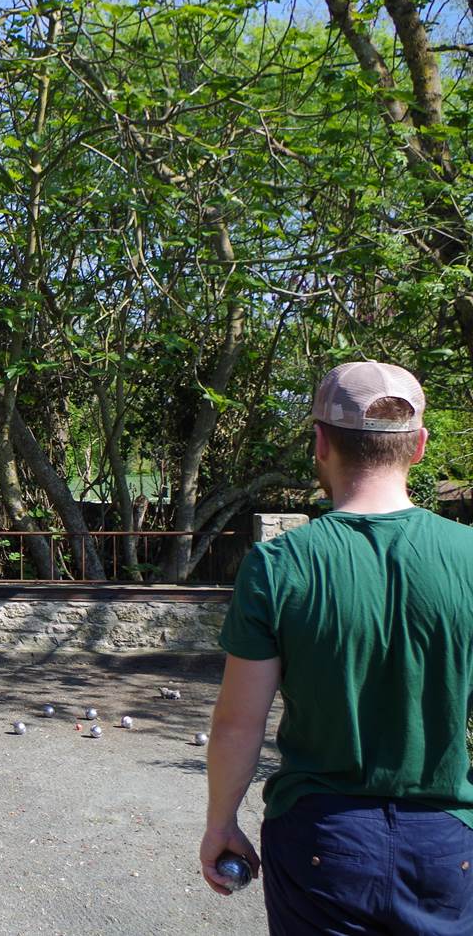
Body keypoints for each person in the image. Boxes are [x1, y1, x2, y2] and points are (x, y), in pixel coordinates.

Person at [201, 361, 473, 933]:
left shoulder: (279, 565)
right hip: (449, 844)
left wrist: (221, 822)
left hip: (322, 838)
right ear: (419, 445)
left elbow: (237, 726)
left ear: (321, 443)